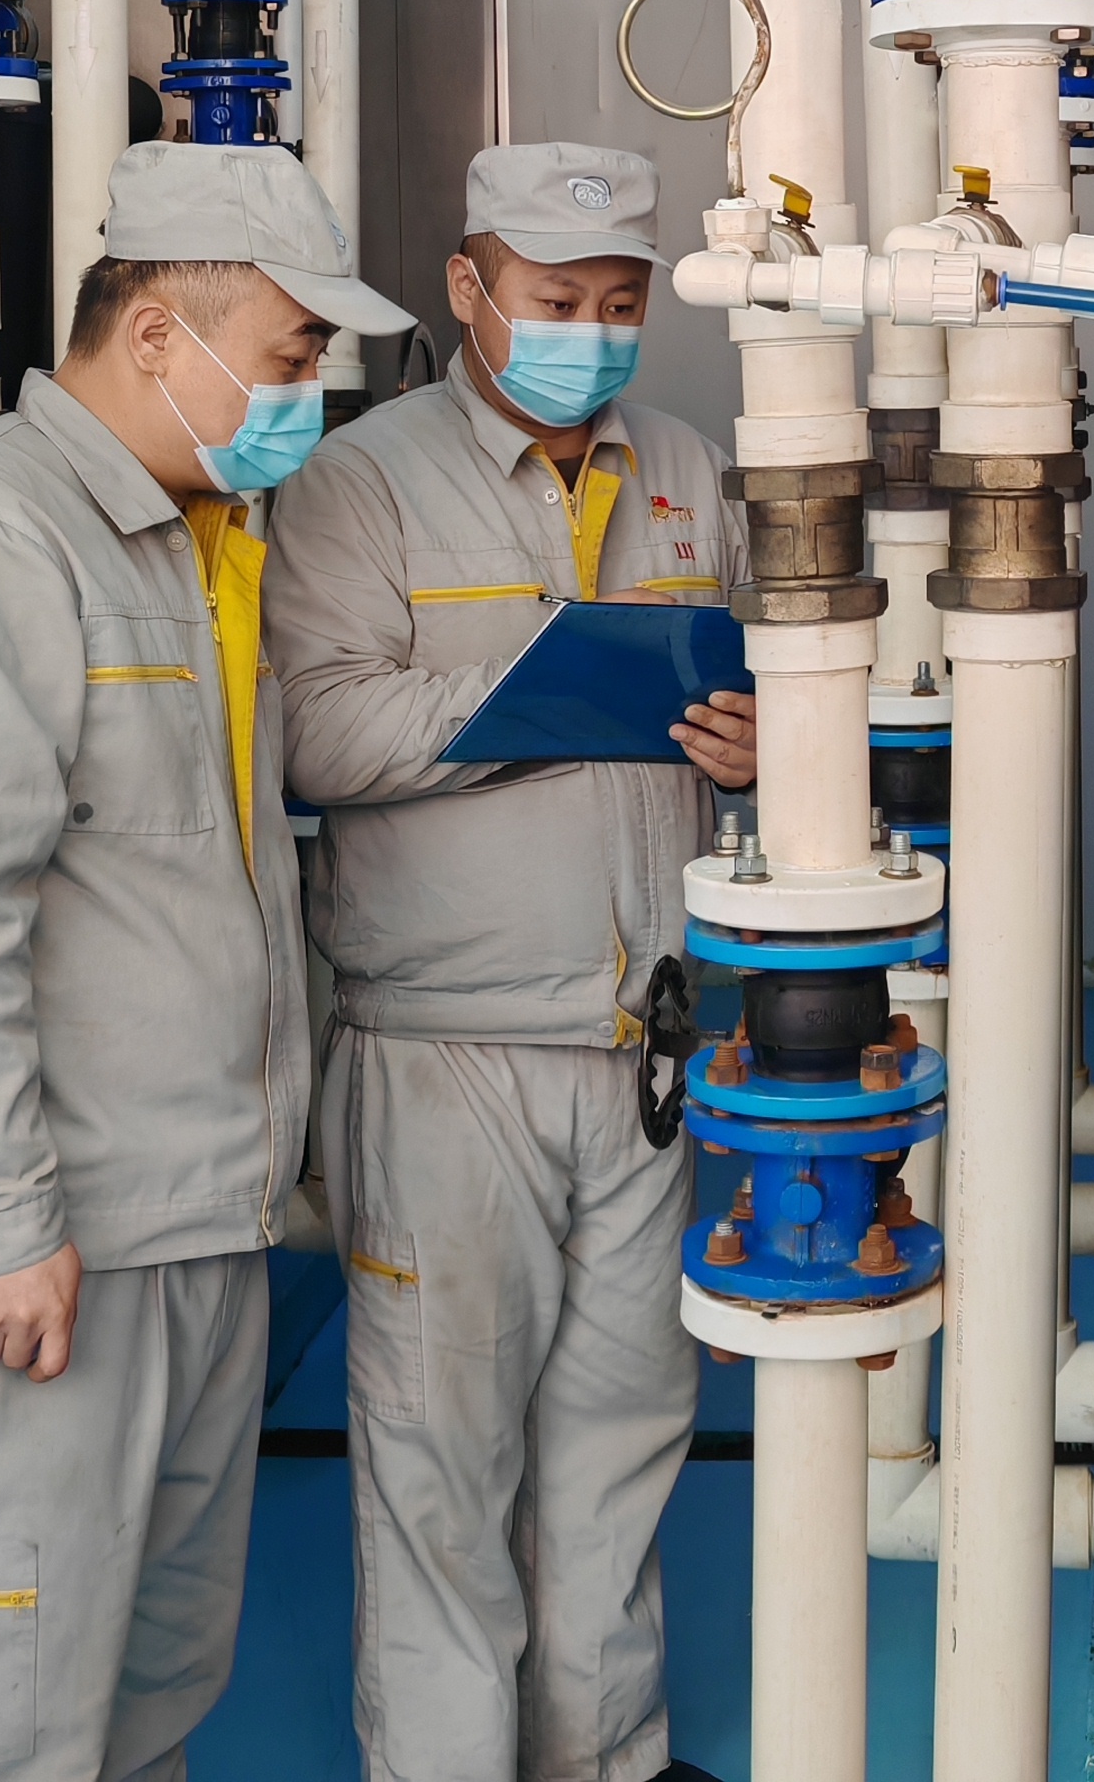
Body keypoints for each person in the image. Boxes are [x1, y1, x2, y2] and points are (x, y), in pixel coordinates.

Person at [0, 139, 413, 1782]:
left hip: (191, 1228)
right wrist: (3, 1224)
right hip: (42, 1258)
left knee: (145, 1697)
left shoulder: (194, 541)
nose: (306, 395)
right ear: (156, 334)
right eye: (290, 354)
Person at [263, 142, 757, 1782]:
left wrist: (764, 745)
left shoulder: (685, 466)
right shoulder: (361, 481)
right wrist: (546, 700)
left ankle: (605, 1759)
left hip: (647, 1051)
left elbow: (771, 684)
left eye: (619, 304)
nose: (590, 334)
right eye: (555, 299)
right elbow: (316, 733)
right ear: (469, 287)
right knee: (439, 1470)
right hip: (445, 1053)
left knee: (623, 1445)